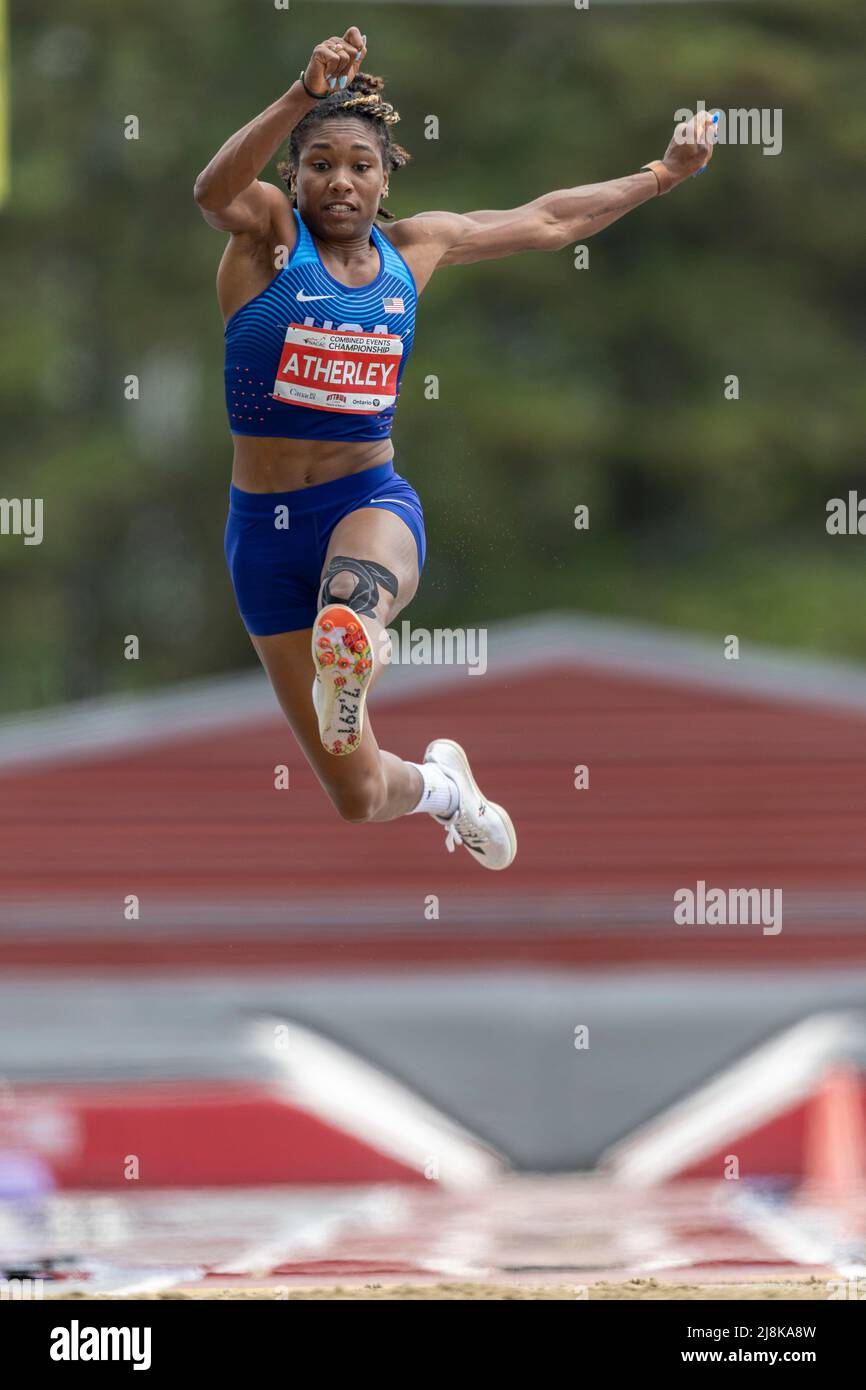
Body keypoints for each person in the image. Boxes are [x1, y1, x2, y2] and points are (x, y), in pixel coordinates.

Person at [193, 26, 715, 872]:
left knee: (350, 600)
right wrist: (301, 89)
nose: (340, 181)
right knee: (358, 797)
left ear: (387, 175)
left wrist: (660, 175)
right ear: (293, 176)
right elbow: (212, 189)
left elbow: (546, 220)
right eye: (319, 162)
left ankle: (355, 634)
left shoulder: (416, 248)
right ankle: (446, 789)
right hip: (262, 532)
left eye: (361, 165)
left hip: (365, 502)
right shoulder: (265, 239)